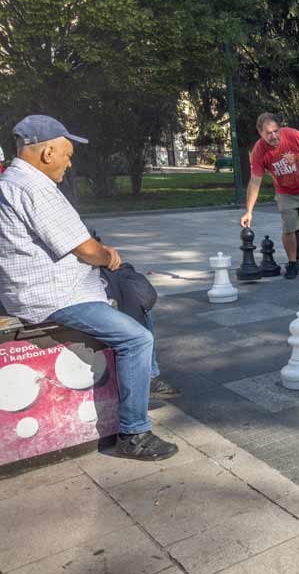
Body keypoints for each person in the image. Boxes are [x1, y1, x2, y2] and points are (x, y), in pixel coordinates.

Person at [0, 116, 178, 461]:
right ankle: (134, 433)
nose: (70, 162)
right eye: (67, 155)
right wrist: (107, 255)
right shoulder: (35, 188)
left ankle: (147, 376)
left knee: (133, 288)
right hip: (53, 295)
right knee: (136, 338)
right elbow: (84, 249)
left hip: (45, 285)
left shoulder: (12, 181)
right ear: (48, 152)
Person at [241, 113, 299, 279]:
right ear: (260, 132)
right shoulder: (258, 151)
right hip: (286, 192)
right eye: (269, 133)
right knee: (289, 229)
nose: (274, 135)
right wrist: (249, 211)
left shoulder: (293, 135)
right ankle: (292, 263)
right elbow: (255, 181)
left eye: (276, 130)